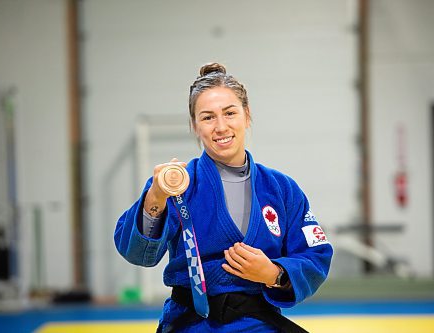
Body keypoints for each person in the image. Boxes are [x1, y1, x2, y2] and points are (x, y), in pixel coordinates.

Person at [114, 63, 333, 332]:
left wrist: (274, 273)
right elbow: (138, 255)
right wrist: (155, 197)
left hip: (258, 323)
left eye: (230, 113)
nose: (221, 127)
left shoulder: (281, 188)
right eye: (207, 117)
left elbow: (316, 254)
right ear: (194, 125)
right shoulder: (177, 184)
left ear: (247, 115)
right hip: (192, 323)